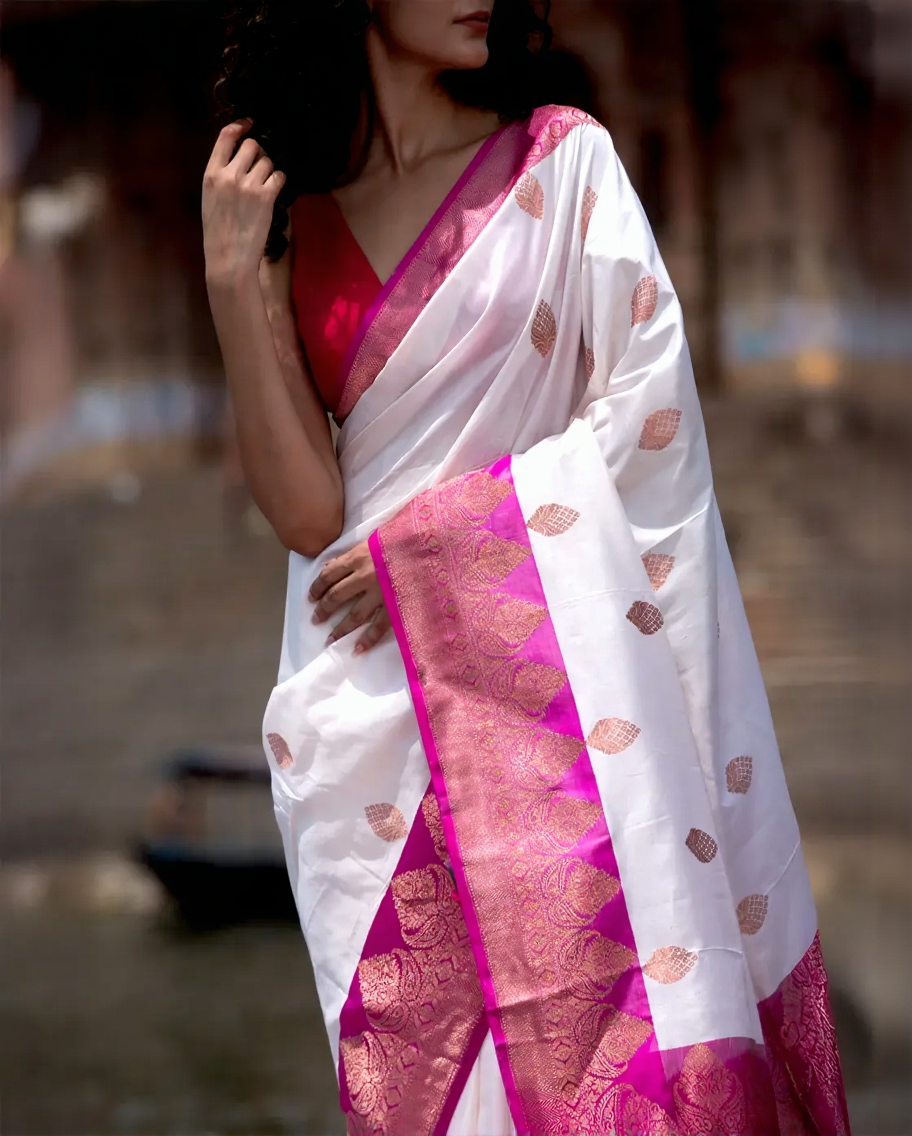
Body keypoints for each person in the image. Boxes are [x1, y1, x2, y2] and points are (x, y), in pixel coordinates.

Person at [202, 2, 851, 1133]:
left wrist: (441, 544)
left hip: (562, 705)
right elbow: (310, 514)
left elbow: (648, 419)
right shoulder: (296, 219)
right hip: (380, 726)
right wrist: (230, 284)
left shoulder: (560, 161)